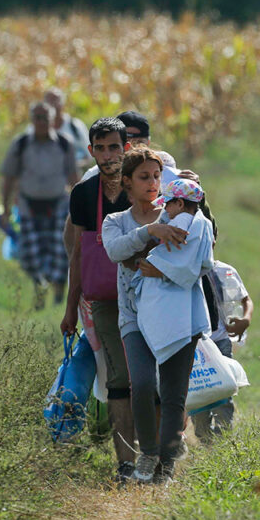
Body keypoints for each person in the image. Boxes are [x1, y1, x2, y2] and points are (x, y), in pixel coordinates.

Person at [102, 149, 191, 483]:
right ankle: (148, 452)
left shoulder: (175, 214)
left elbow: (195, 251)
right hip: (134, 317)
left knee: (170, 391)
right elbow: (115, 251)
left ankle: (165, 467)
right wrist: (151, 232)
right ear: (127, 182)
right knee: (140, 383)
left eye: (156, 176)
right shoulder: (116, 221)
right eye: (144, 177)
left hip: (171, 315)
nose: (153, 183)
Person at [61, 117, 138, 482]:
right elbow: (78, 254)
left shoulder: (143, 185)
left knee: (148, 377)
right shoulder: (83, 194)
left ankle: (156, 454)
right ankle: (126, 463)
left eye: (114, 147)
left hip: (147, 296)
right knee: (118, 378)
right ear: (90, 150)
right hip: (104, 298)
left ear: (127, 147)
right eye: (100, 148)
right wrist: (70, 307)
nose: (107, 155)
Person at [130, 178, 215, 483]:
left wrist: (159, 268)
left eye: (169, 203)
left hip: (170, 317)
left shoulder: (183, 225)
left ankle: (156, 461)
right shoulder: (203, 227)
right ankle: (165, 470)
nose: (165, 210)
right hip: (188, 320)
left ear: (180, 203)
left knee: (166, 395)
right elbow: (201, 264)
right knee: (174, 397)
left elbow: (180, 265)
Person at [1, 101, 80, 309]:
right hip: (28, 205)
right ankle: (39, 286)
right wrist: (6, 208)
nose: (41, 122)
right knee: (29, 253)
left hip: (58, 205)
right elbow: (8, 177)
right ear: (31, 120)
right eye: (37, 118)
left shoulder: (64, 143)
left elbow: (73, 177)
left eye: (45, 118)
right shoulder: (21, 144)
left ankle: (58, 287)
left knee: (60, 250)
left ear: (53, 120)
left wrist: (83, 206)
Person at [194, 259, 253, 440]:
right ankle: (203, 437)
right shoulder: (184, 270)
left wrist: (246, 319)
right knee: (198, 391)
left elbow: (246, 299)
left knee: (224, 389)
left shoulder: (224, 271)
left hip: (220, 339)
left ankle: (223, 436)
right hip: (195, 344)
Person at [45, 88, 90, 172]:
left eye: (56, 100)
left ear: (62, 104)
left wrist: (73, 166)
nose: (53, 104)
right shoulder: (34, 129)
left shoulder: (76, 126)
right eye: (49, 101)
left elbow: (89, 156)